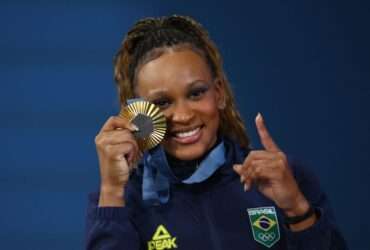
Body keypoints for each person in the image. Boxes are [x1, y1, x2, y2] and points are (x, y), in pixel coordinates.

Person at [86, 15, 347, 249]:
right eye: (162, 103)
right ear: (139, 113)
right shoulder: (120, 200)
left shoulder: (284, 177)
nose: (184, 115)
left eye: (196, 93)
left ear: (219, 93)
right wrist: (112, 191)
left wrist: (297, 209)